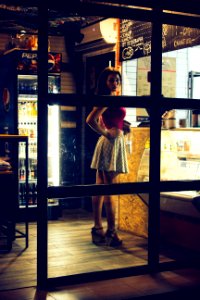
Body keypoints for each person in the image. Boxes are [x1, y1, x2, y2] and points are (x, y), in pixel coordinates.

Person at [86, 67, 129, 247]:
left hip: (112, 143)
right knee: (110, 190)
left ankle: (98, 228)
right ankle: (111, 232)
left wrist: (122, 126)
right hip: (110, 144)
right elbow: (90, 120)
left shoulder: (110, 97)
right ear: (105, 81)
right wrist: (106, 132)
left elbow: (110, 119)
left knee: (100, 187)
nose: (115, 83)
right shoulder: (108, 98)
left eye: (117, 80)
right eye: (111, 80)